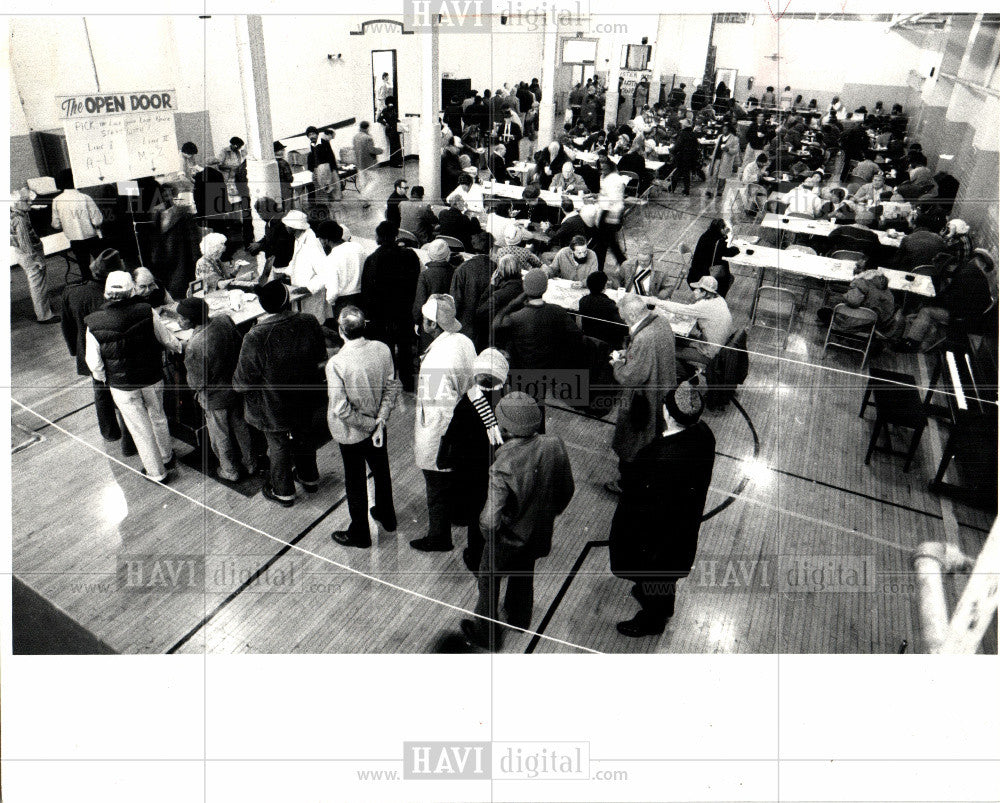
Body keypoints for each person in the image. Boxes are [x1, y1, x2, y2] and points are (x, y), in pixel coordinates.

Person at [460, 391, 575, 650]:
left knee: (489, 581)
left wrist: (494, 537)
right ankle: (520, 617)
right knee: (525, 571)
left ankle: (486, 632)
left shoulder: (503, 465)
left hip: (507, 538)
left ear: (505, 427)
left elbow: (489, 521)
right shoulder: (554, 444)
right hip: (539, 530)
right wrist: (546, 514)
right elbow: (567, 490)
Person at [610, 380, 716, 636]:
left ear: (667, 413)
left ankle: (652, 621)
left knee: (654, 577)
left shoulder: (662, 457)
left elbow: (640, 496)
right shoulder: (704, 435)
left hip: (654, 535)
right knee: (663, 577)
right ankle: (661, 604)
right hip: (680, 528)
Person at [233, 280, 327, 506]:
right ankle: (309, 478)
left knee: (278, 444)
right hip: (306, 395)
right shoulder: (308, 320)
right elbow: (319, 355)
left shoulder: (255, 336)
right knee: (304, 436)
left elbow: (243, 381)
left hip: (273, 404)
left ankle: (283, 490)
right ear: (288, 300)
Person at [84, 271, 180, 483]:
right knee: (158, 416)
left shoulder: (93, 322)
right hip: (152, 376)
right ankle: (167, 455)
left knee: (139, 428)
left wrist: (105, 379)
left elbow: (94, 363)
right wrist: (179, 347)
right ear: (131, 291)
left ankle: (157, 472)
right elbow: (166, 339)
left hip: (122, 386)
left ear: (106, 293)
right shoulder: (146, 311)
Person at [326, 305, 400, 547]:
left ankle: (360, 533)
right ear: (363, 325)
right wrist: (380, 422)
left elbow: (341, 408)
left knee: (355, 481)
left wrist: (369, 425)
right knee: (381, 470)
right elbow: (391, 385)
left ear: (340, 330)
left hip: (352, 432)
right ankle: (387, 515)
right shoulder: (382, 349)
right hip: (378, 425)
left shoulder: (337, 363)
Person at [411, 294, 477, 552]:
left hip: (443, 430)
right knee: (457, 478)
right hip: (465, 419)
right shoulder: (464, 341)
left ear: (432, 325)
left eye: (425, 321)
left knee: (436, 485)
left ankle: (439, 536)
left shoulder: (437, 361)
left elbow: (438, 411)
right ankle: (459, 515)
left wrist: (437, 446)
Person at [436, 348, 509, 573]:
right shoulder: (507, 399)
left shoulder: (468, 404)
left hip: (472, 472)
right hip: (501, 464)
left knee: (477, 516)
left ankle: (477, 558)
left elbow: (452, 438)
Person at [60, 250, 135, 455]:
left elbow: (66, 325)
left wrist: (74, 351)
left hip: (87, 351)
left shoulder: (72, 292)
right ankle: (130, 441)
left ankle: (109, 432)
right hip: (113, 353)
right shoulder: (114, 295)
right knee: (124, 394)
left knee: (100, 393)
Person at [176, 296, 257, 482]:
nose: (178, 321)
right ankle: (251, 463)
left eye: (181, 318)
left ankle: (230, 470)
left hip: (214, 397)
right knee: (241, 427)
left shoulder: (195, 345)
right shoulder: (224, 319)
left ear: (192, 320)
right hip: (235, 387)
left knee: (220, 434)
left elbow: (196, 383)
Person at [607, 293, 678, 494]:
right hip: (663, 390)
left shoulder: (643, 338)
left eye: (623, 318)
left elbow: (631, 377)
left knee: (632, 441)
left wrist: (618, 363)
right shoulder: (661, 321)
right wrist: (629, 354)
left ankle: (626, 484)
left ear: (630, 317)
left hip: (643, 399)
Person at [894, 249, 996, 352]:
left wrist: (931, 303)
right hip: (970, 315)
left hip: (965, 319)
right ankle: (923, 345)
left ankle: (910, 344)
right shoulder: (969, 271)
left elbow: (952, 302)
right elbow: (950, 296)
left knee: (926, 312)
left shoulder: (965, 275)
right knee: (927, 310)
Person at [361, 220, 421, 392]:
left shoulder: (372, 259)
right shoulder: (409, 255)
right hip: (404, 310)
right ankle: (408, 385)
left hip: (381, 314)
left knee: (384, 351)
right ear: (396, 236)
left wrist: (369, 316)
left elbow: (367, 291)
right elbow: (415, 281)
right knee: (405, 350)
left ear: (378, 237)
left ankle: (387, 386)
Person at [659, 275, 734, 368]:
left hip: (708, 352)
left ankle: (686, 372)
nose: (694, 291)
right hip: (714, 345)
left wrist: (657, 302)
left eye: (697, 290)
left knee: (664, 350)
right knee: (677, 339)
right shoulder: (719, 299)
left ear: (704, 293)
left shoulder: (705, 305)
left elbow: (681, 309)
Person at [10, 187, 57, 323]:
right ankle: (44, 315)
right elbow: (25, 244)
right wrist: (36, 260)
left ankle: (43, 307)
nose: (30, 203)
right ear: (17, 203)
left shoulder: (13, 214)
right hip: (30, 255)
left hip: (22, 254)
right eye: (27, 201)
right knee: (38, 285)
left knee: (38, 284)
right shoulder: (19, 220)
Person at [149, 181, 199, 298]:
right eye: (166, 195)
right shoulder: (184, 210)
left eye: (169, 195)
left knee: (176, 283)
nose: (169, 198)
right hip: (179, 253)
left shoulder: (155, 212)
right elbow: (193, 237)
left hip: (170, 253)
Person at [51, 169, 103, 282]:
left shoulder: (56, 201)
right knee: (102, 266)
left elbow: (56, 225)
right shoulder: (85, 197)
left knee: (84, 268)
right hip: (92, 237)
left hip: (75, 240)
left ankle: (90, 288)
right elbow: (97, 220)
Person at [277, 209, 329, 321]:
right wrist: (285, 273)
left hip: (310, 294)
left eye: (287, 226)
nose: (286, 228)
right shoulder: (299, 239)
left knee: (314, 323)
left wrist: (308, 288)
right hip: (300, 292)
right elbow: (295, 260)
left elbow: (325, 272)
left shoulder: (311, 244)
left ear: (294, 227)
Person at [317, 220, 365, 327]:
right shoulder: (358, 247)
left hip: (344, 302)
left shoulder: (331, 258)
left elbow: (333, 292)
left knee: (347, 334)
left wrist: (330, 301)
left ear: (325, 240)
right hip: (362, 298)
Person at [474, 255, 523, 350]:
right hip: (517, 339)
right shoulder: (524, 288)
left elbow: (480, 311)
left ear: (500, 272)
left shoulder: (499, 295)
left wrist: (492, 285)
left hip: (498, 340)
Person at [449, 232, 494, 335]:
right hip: (488, 326)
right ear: (490, 250)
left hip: (465, 325)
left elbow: (455, 300)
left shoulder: (462, 269)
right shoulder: (496, 268)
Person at [688, 218, 739, 297]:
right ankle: (718, 298)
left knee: (727, 274)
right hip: (705, 276)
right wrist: (736, 248)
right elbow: (728, 252)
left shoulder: (706, 235)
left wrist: (723, 235)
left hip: (694, 273)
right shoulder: (718, 241)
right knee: (728, 277)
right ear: (721, 229)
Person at [579, 270, 625, 349]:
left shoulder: (583, 300)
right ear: (604, 287)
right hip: (607, 341)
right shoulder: (609, 304)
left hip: (589, 338)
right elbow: (621, 326)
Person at [246, 196, 295, 270]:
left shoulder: (281, 222)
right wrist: (256, 244)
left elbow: (280, 245)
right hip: (276, 263)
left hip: (285, 263)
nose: (259, 216)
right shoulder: (270, 221)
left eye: (260, 212)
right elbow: (268, 237)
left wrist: (260, 246)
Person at [305, 126, 339, 216]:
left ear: (317, 134)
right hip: (318, 170)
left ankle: (330, 210)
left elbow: (331, 156)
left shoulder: (324, 142)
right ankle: (325, 209)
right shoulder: (312, 145)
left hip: (326, 169)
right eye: (309, 135)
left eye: (313, 134)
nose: (311, 136)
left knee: (329, 188)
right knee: (321, 190)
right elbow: (313, 158)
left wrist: (333, 169)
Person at [351, 121, 383, 204]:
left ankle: (365, 201)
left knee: (363, 182)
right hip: (369, 164)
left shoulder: (355, 137)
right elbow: (371, 150)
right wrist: (380, 150)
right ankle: (364, 196)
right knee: (375, 180)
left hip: (359, 163)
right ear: (368, 127)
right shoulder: (368, 138)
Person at [669, 119, 701, 196]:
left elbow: (678, 146)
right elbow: (697, 145)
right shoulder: (693, 134)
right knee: (686, 173)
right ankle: (684, 190)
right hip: (691, 157)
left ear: (684, 125)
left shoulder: (682, 134)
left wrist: (671, 150)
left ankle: (672, 188)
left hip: (682, 157)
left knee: (677, 172)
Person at [377, 95, 403, 167]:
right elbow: (379, 119)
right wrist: (385, 123)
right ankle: (394, 163)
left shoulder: (394, 109)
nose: (391, 104)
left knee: (398, 146)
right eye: (390, 103)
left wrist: (399, 122)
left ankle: (398, 161)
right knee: (393, 146)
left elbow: (395, 119)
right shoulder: (385, 110)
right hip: (390, 130)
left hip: (395, 129)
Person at [272, 141, 295, 210]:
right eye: (281, 150)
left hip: (275, 189)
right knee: (288, 208)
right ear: (276, 152)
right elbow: (290, 178)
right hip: (286, 189)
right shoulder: (283, 163)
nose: (283, 151)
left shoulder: (272, 162)